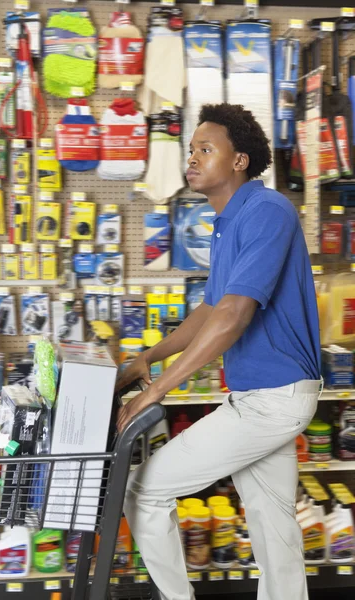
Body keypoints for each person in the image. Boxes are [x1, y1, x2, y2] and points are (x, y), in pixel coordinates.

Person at [116, 103, 321, 600]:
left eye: (206, 149)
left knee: (144, 489)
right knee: (275, 531)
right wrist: (151, 356)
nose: (192, 158)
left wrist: (156, 391)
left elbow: (233, 316)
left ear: (239, 161)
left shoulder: (267, 211)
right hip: (261, 397)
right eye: (191, 149)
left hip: (274, 399)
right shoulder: (229, 223)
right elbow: (210, 311)